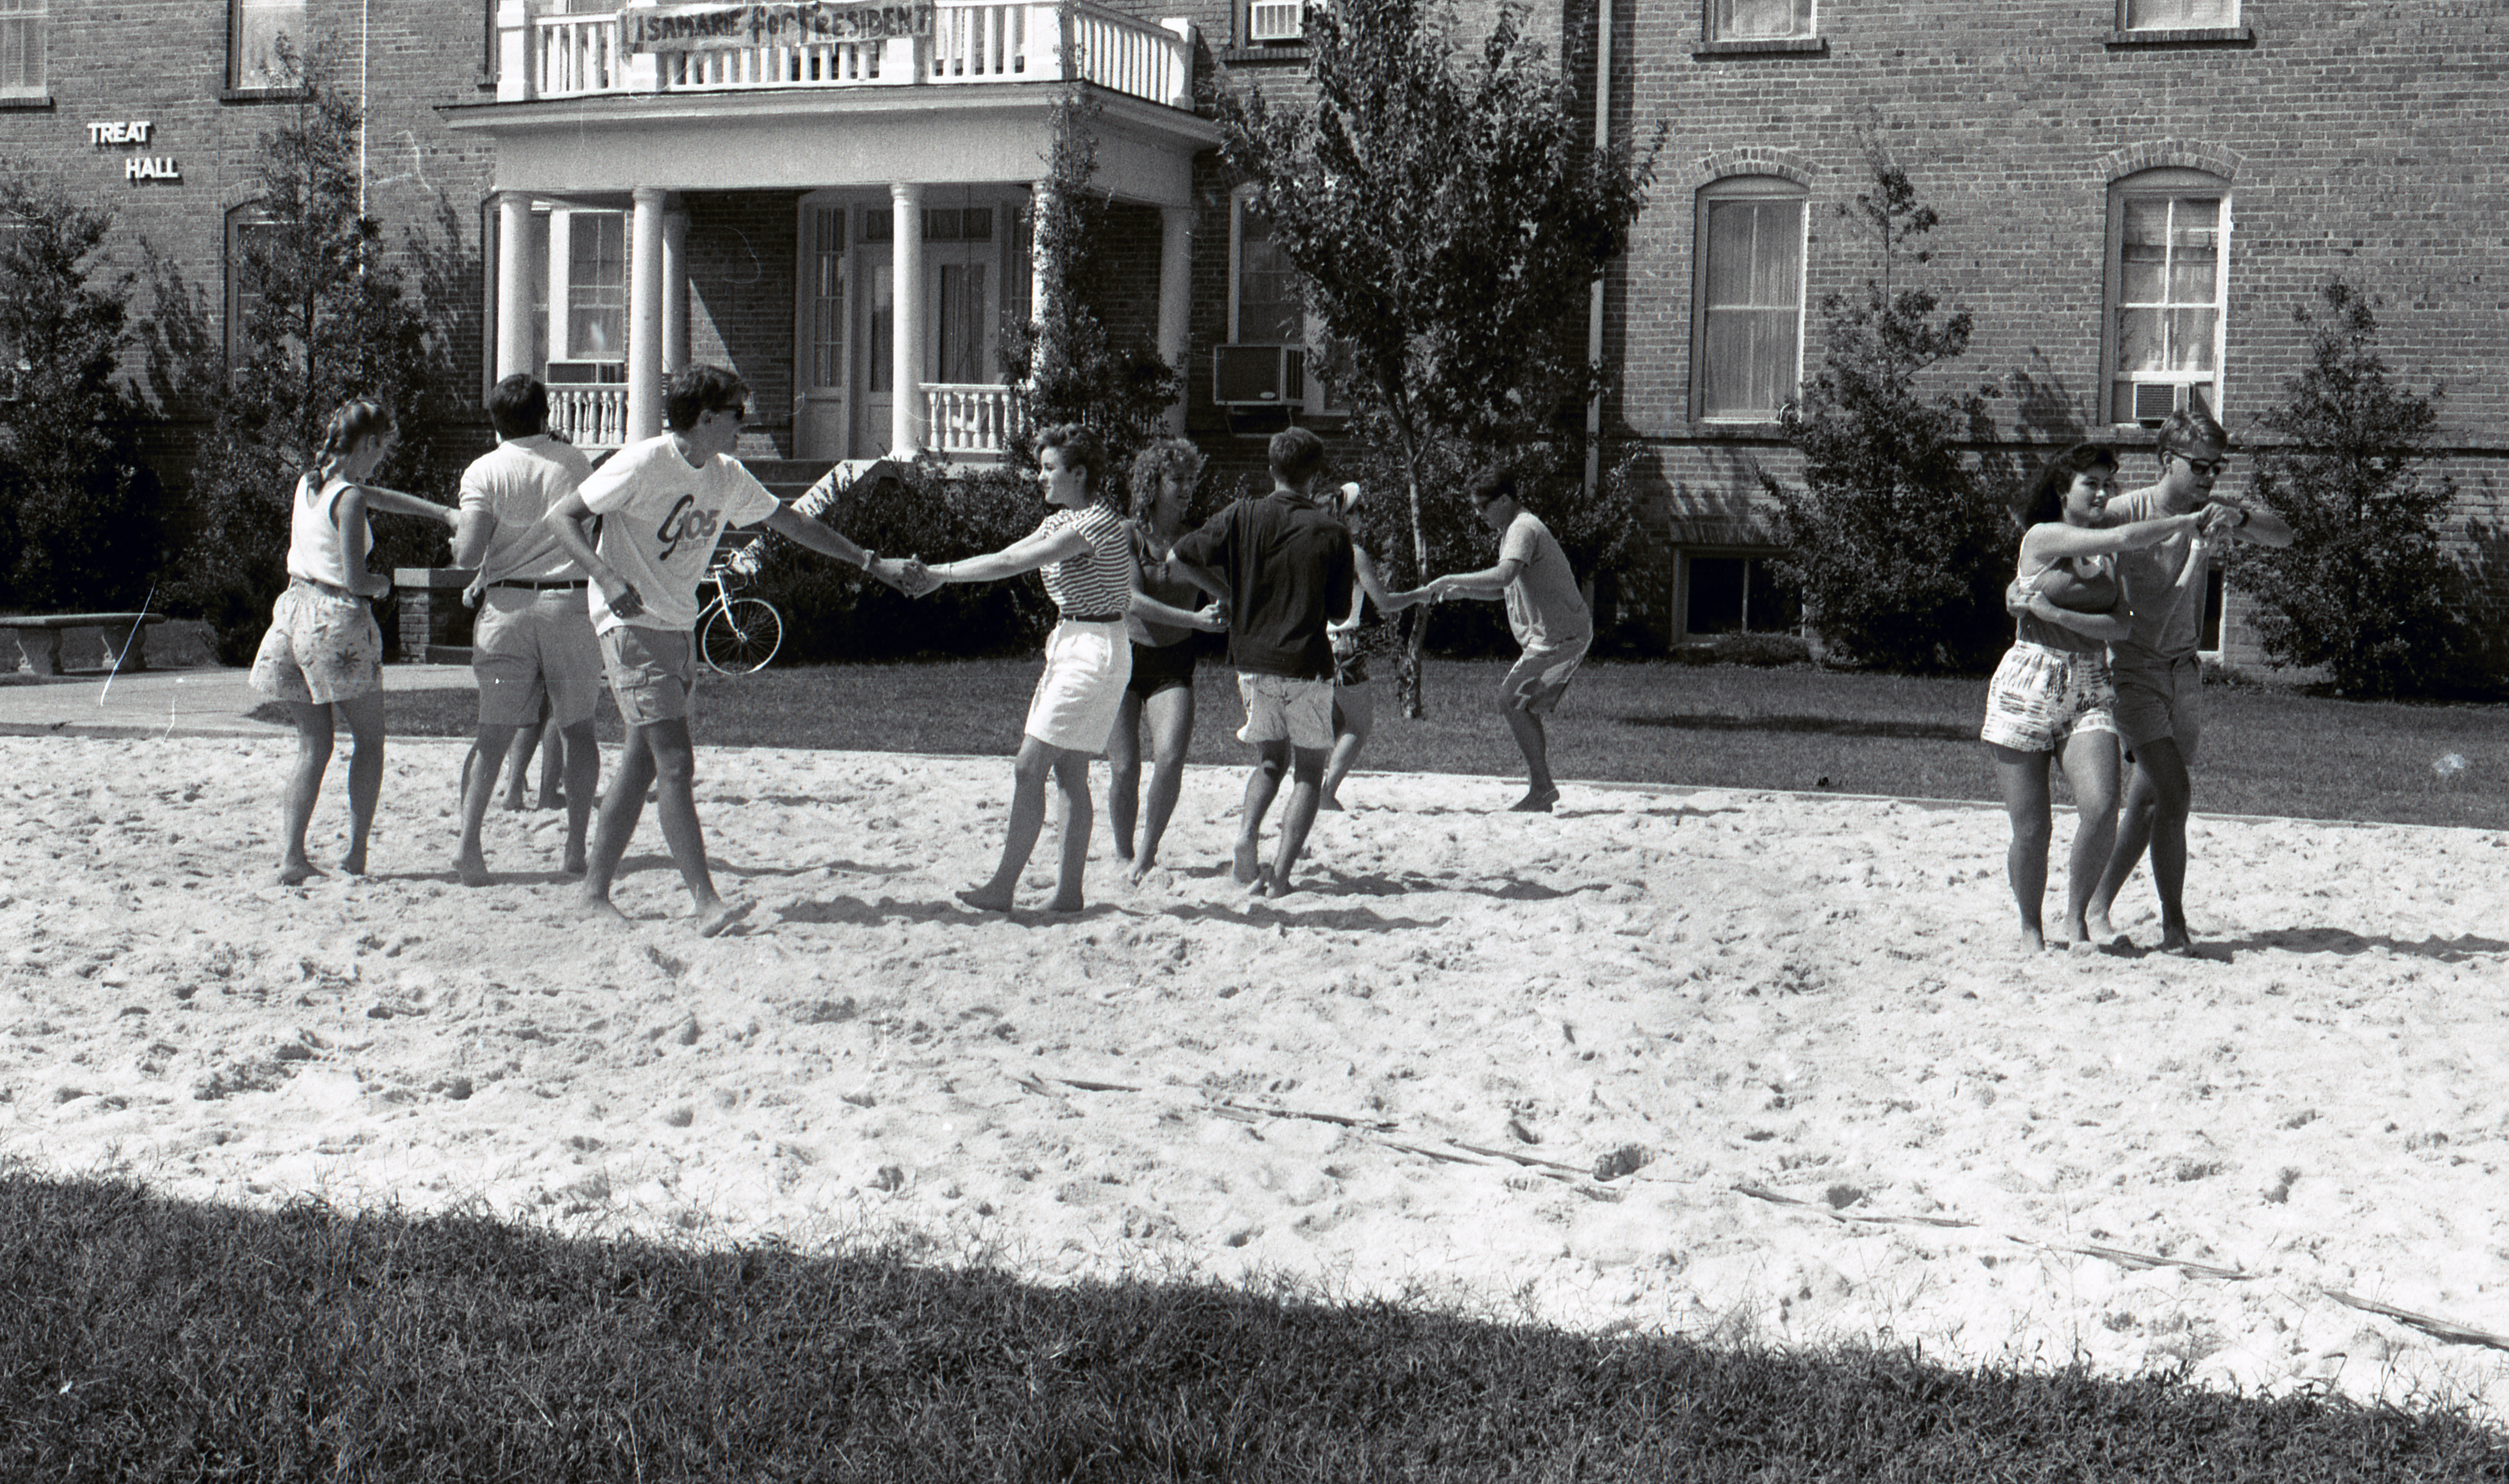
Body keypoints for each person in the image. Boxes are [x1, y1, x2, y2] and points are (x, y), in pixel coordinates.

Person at [544, 365, 929, 936]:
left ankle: (594, 891)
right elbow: (561, 517)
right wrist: (604, 576)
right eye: (736, 414)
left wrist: (871, 563)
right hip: (631, 624)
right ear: (705, 418)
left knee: (642, 762)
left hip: (677, 623)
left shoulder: (726, 475)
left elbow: (790, 522)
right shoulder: (643, 463)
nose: (744, 425)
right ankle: (706, 903)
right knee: (676, 763)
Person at [926, 425, 1201, 913]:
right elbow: (1008, 554)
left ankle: (1002, 887)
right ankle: (1068, 893)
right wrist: (930, 573)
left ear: (1079, 473)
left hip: (1095, 648)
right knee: (1070, 771)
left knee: (1028, 765)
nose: (1040, 476)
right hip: (1074, 642)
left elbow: (1012, 565)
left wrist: (939, 575)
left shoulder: (1093, 524)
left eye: (1049, 468)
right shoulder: (1061, 520)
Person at [1983, 443, 2212, 952]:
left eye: (2109, 484)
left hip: (2088, 684)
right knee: (2032, 829)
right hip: (2029, 683)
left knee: (2102, 806)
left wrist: (2057, 614)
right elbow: (2126, 534)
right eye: (2091, 483)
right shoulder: (2043, 537)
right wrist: (2187, 521)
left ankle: (2076, 918)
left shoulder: (2106, 554)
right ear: (2062, 490)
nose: (2103, 493)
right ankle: (2029, 928)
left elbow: (2121, 625)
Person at [2082, 408, 2292, 954]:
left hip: (2183, 673)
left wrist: (2238, 518)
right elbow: (2058, 538)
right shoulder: (2126, 512)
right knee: (2175, 793)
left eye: (2217, 467)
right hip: (2130, 670)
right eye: (2199, 466)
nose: (2208, 477)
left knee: (2150, 803)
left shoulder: (2211, 512)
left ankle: (2094, 906)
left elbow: (2284, 536)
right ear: (2165, 460)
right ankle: (2174, 926)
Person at [248, 399, 459, 884]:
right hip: (334, 620)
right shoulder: (350, 498)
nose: (381, 459)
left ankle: (292, 856)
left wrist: (441, 513)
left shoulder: (310, 483)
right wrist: (385, 585)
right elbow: (356, 578)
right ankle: (356, 852)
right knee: (369, 741)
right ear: (369, 443)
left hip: (292, 613)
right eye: (381, 450)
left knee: (312, 746)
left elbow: (374, 496)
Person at [1169, 425, 1356, 897]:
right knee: (1309, 772)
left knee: (1270, 761)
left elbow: (1181, 557)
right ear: (1315, 475)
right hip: (1306, 662)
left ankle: (1246, 833)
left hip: (1251, 659)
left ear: (1271, 468)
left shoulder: (1242, 514)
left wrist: (1229, 595)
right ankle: (1281, 877)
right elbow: (1339, 614)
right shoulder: (1332, 532)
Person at [449, 374, 600, 886]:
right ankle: (575, 849)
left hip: (507, 608)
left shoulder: (484, 470)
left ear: (496, 421)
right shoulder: (574, 462)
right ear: (544, 415)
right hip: (568, 605)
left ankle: (469, 848)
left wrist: (460, 543)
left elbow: (468, 554)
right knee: (578, 730)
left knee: (491, 735)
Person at [1422, 467, 1593, 813]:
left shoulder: (1522, 529)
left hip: (1561, 638)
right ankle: (1542, 789)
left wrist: (1451, 578)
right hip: (1557, 636)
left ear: (1503, 500)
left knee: (1510, 700)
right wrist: (1462, 592)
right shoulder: (1514, 529)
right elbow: (1508, 586)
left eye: (1482, 506)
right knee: (1519, 704)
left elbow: (1503, 575)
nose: (1478, 514)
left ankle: (1542, 789)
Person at [1107, 437, 1229, 885]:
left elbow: (1227, 593)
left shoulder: (1196, 539)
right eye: (1177, 479)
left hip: (1174, 663)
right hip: (1123, 661)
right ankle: (1122, 853)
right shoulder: (1127, 533)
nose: (1186, 487)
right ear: (1152, 482)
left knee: (1171, 759)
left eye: (1191, 479)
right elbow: (1132, 601)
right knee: (1124, 769)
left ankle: (1146, 855)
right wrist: (1195, 619)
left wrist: (1225, 606)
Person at [1319, 481, 1430, 811]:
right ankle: (1325, 793)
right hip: (1343, 646)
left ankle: (1311, 789)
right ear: (1344, 517)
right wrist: (1420, 595)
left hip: (1313, 643)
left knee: (1333, 724)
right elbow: (1384, 602)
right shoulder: (1354, 555)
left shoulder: (1313, 549)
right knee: (1358, 726)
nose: (1363, 516)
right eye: (1358, 510)